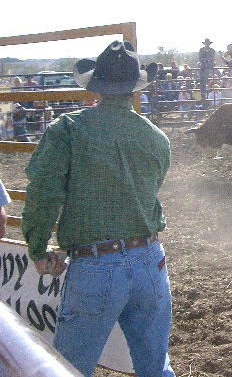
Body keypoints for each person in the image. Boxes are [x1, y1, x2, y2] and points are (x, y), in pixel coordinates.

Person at [20, 41, 174, 377]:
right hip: (150, 259)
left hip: (96, 264)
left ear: (95, 86)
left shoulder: (69, 129)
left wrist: (38, 248)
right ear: (135, 87)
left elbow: (44, 195)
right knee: (155, 366)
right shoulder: (157, 138)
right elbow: (151, 189)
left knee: (69, 368)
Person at [198, 38, 216, 108]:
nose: (207, 45)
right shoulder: (201, 50)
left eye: (208, 44)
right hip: (203, 65)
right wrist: (205, 59)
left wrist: (206, 60)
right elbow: (200, 58)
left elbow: (212, 58)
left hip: (208, 65)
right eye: (206, 43)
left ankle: (205, 79)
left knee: (206, 66)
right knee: (202, 78)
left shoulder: (212, 50)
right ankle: (203, 96)